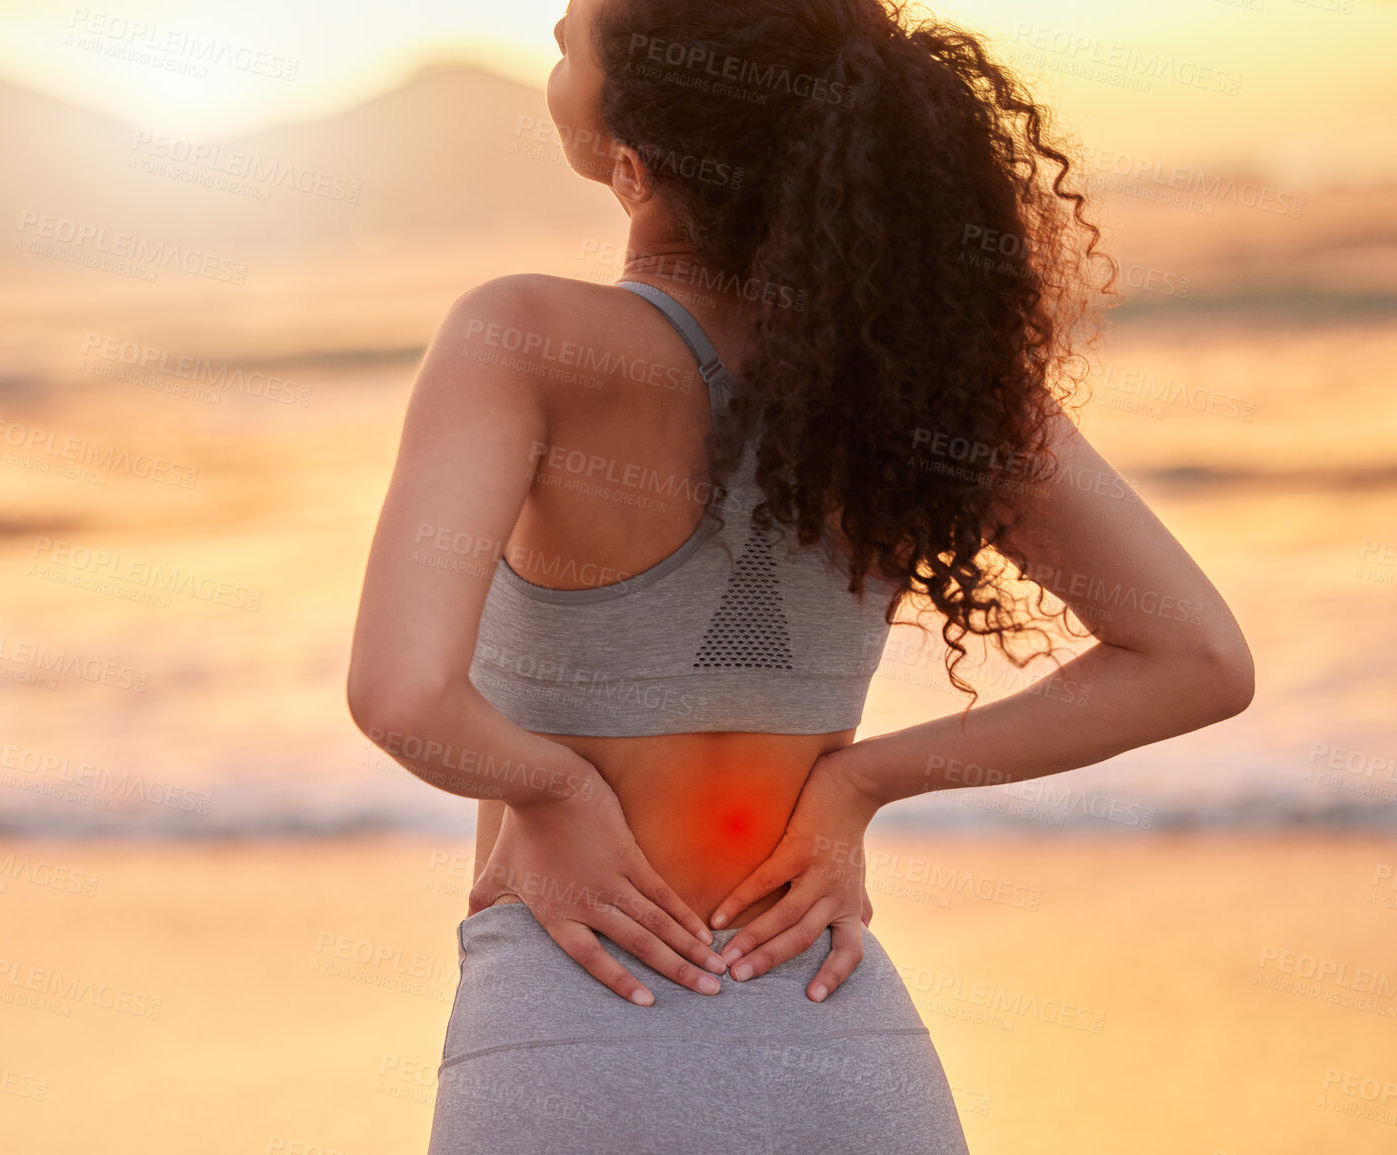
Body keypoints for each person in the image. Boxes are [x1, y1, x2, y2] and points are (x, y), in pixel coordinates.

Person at [348, 0, 1256, 1149]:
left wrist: (558, 791)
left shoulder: (523, 337)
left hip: (577, 1028)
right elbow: (1197, 660)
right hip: (844, 1049)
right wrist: (859, 784)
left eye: (579, 28)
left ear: (633, 142)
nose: (559, 20)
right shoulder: (925, 378)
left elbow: (402, 696)